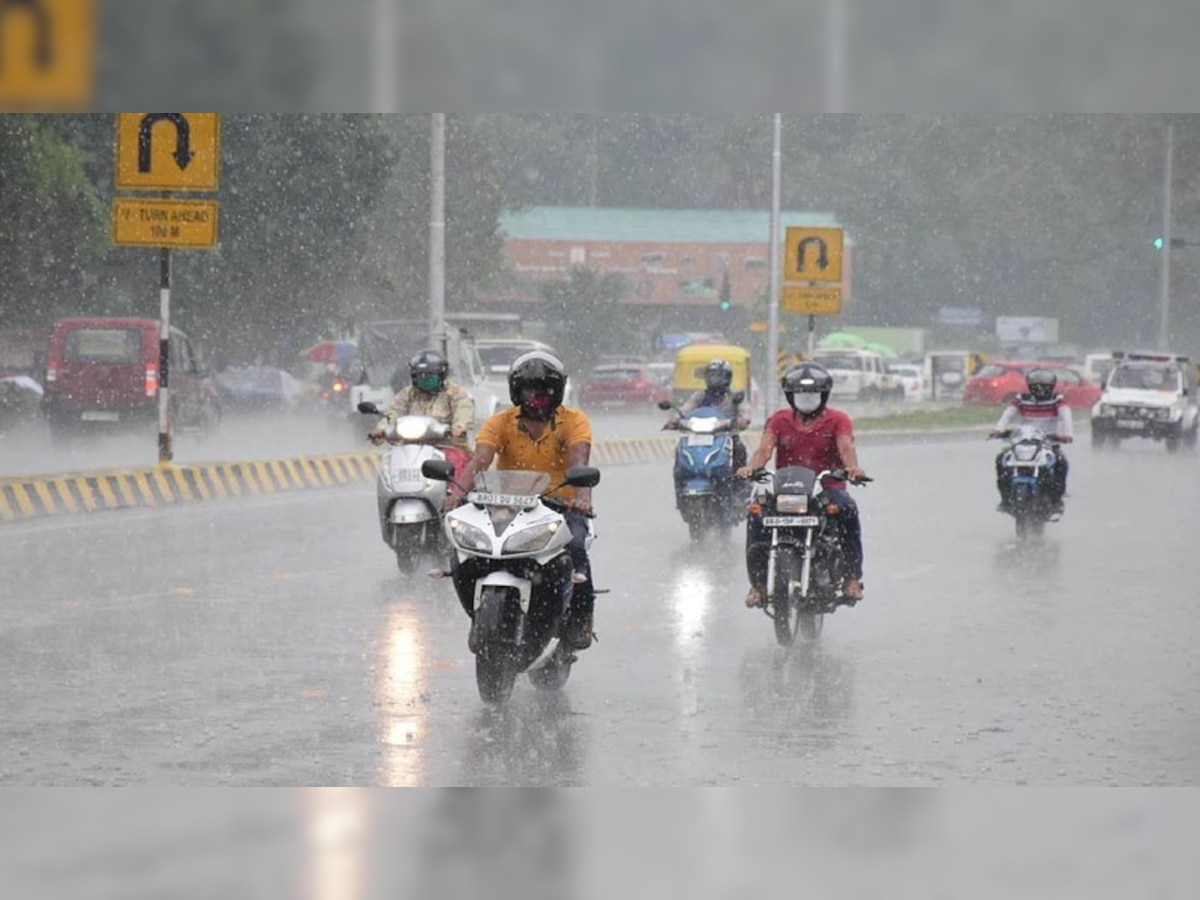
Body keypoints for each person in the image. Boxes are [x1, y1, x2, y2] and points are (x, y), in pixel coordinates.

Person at [447, 351, 598, 651]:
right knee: (464, 553)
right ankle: (478, 618)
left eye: (546, 389)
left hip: (559, 510)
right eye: (531, 389)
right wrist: (456, 495)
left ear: (558, 392)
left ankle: (581, 616)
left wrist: (581, 498)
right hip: (507, 507)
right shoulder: (500, 422)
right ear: (517, 391)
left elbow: (579, 459)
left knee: (577, 547)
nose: (538, 397)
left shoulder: (574, 421)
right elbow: (480, 460)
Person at [736, 362, 868, 608]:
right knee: (756, 513)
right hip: (787, 490)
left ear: (823, 395)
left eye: (812, 394)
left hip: (826, 491)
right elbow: (765, 448)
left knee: (847, 510)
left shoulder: (838, 420)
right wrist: (752, 468)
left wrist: (852, 469)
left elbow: (846, 447)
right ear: (791, 396)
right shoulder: (778, 419)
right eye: (801, 394)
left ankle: (851, 577)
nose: (806, 399)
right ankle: (758, 584)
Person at [370, 350, 475, 476]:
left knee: (454, 460)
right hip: (410, 446)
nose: (425, 379)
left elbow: (464, 409)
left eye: (430, 376)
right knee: (390, 462)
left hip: (447, 445)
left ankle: (453, 494)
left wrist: (459, 426)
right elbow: (393, 412)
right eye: (421, 376)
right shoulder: (407, 394)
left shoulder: (455, 393)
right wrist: (381, 429)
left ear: (441, 375)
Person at [989, 368, 1073, 513]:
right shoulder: (1021, 399)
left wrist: (1067, 434)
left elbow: (1066, 415)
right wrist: (999, 429)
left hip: (1049, 443)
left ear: (1051, 386)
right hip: (1024, 441)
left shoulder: (1057, 400)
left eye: (1044, 387)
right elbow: (1008, 413)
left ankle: (1057, 499)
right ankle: (1005, 498)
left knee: (1061, 462)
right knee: (1001, 460)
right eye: (1036, 387)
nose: (1040, 390)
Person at [669, 358, 752, 470]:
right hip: (699, 436)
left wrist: (741, 421)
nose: (715, 379)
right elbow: (685, 409)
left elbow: (745, 414)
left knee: (739, 450)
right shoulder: (699, 396)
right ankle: (682, 477)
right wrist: (675, 419)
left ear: (728, 377)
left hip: (726, 436)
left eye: (719, 376)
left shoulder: (735, 396)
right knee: (681, 449)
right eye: (712, 375)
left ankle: (740, 482)